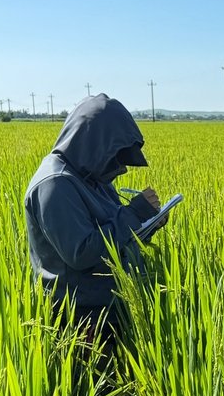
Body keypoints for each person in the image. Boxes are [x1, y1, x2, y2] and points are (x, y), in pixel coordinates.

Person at [25, 93, 168, 340]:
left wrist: (147, 223)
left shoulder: (89, 176)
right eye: (115, 156)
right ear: (94, 144)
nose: (120, 168)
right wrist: (134, 213)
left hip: (109, 308)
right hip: (82, 318)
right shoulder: (56, 184)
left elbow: (115, 234)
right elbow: (82, 253)